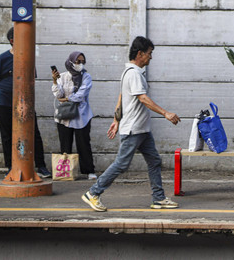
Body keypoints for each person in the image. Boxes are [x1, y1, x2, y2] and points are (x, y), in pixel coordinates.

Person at [82, 36, 181, 212]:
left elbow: (122, 97)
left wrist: (115, 120)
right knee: (121, 164)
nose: (151, 57)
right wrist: (166, 113)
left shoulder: (131, 72)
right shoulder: (134, 73)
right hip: (134, 130)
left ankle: (158, 198)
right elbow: (142, 98)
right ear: (140, 54)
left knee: (154, 161)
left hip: (142, 130)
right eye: (149, 54)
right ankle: (93, 193)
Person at [0, 27, 51, 178]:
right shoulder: (1, 59)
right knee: (8, 135)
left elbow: (32, 79)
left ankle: (41, 166)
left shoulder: (28, 58)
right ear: (12, 41)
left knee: (34, 133)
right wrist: (1, 95)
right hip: (4, 103)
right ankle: (10, 167)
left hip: (25, 103)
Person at [51, 51, 96, 180]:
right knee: (65, 144)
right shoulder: (63, 76)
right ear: (71, 62)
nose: (80, 64)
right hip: (65, 116)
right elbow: (58, 94)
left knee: (83, 144)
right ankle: (66, 172)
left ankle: (89, 171)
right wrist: (55, 80)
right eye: (77, 61)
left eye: (82, 62)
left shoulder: (86, 77)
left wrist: (66, 99)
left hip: (82, 115)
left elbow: (81, 95)